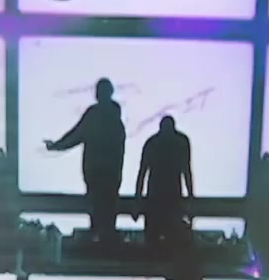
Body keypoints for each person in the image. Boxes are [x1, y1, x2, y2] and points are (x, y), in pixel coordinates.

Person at [45, 78, 126, 242]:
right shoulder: (116, 121)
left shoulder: (93, 116)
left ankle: (97, 237)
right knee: (109, 208)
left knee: (96, 207)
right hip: (111, 173)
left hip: (94, 172)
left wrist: (56, 146)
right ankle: (107, 238)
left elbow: (75, 135)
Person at [132, 116, 193, 247]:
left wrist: (137, 200)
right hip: (173, 197)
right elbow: (186, 171)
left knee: (152, 241)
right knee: (173, 242)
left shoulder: (152, 143)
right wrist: (190, 198)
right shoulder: (181, 142)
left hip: (155, 197)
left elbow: (142, 173)